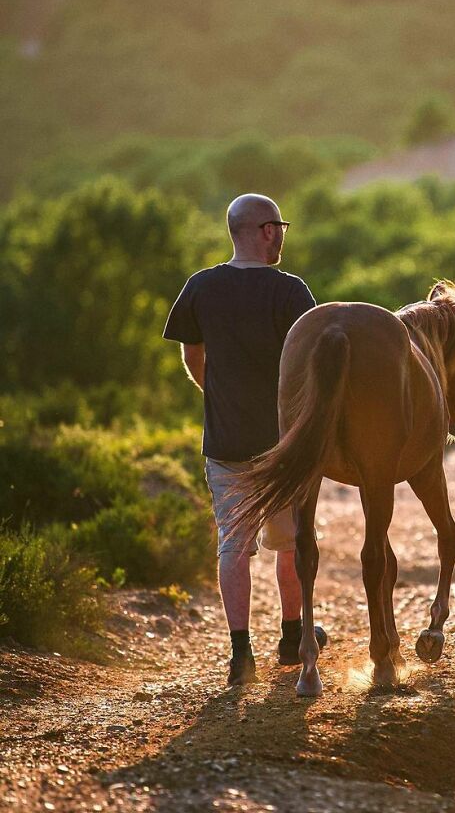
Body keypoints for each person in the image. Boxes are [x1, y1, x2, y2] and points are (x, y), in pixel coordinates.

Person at [163, 193, 327, 685]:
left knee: (232, 545)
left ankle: (240, 656)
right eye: (278, 226)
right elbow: (311, 364)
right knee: (290, 543)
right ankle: (291, 639)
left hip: (225, 441)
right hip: (282, 445)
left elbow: (195, 358)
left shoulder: (201, 287)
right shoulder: (291, 292)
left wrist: (214, 393)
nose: (281, 234)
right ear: (263, 231)